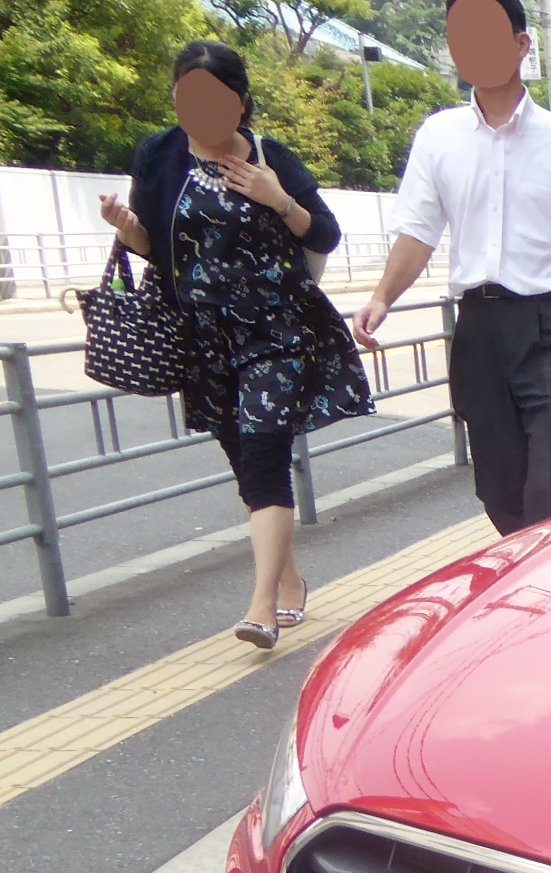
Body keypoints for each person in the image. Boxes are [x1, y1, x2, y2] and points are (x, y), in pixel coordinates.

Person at [100, 42, 372, 650]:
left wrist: (278, 198)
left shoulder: (272, 157)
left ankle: (260, 608)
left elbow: (324, 231)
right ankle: (291, 583)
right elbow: (156, 249)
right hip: (204, 338)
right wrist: (127, 230)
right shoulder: (159, 156)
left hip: (276, 331)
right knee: (247, 464)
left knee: (266, 451)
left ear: (240, 101)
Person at [350, 0, 551, 534]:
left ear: (521, 44)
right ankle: (533, 570)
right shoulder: (439, 137)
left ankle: (546, 596)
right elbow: (417, 232)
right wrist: (381, 298)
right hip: (479, 331)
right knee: (499, 486)